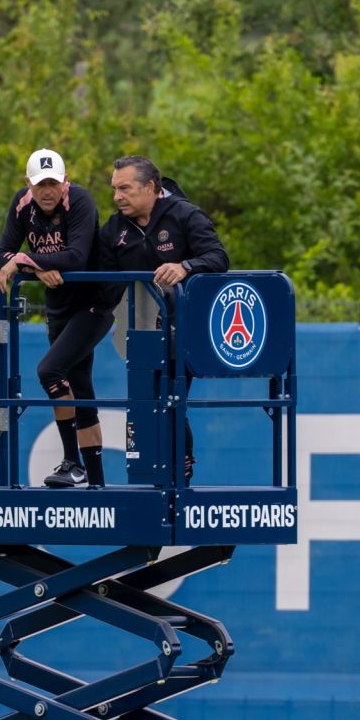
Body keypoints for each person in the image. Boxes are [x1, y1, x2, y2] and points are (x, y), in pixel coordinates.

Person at [93, 155, 228, 482]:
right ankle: (152, 477)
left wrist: (185, 267)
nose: (117, 197)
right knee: (146, 402)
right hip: (138, 332)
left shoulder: (185, 215)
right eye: (114, 189)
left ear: (151, 187)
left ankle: (179, 472)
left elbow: (218, 257)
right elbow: (103, 280)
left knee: (170, 399)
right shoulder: (114, 229)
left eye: (124, 188)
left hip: (183, 331)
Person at [0, 148, 114, 488]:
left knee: (49, 370)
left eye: (53, 183)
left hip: (94, 302)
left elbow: (75, 258)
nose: (47, 191)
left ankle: (71, 461)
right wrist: (33, 264)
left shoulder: (80, 201)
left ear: (65, 181)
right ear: (28, 185)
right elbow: (1, 253)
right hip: (59, 305)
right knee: (81, 388)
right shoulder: (23, 204)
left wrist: (28, 262)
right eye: (39, 184)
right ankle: (97, 483)